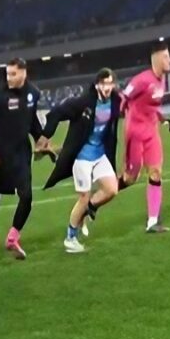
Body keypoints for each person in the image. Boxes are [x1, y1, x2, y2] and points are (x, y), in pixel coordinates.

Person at [39, 68, 124, 252]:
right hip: (82, 156)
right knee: (84, 197)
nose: (107, 87)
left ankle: (90, 208)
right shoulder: (84, 102)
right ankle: (70, 238)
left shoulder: (115, 101)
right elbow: (58, 112)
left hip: (100, 154)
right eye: (104, 83)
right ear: (97, 85)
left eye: (110, 83)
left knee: (112, 189)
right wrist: (46, 135)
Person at [0, 60, 44, 261]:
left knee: (27, 197)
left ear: (24, 73)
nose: (9, 78)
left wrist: (41, 139)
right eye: (7, 74)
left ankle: (12, 238)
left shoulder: (33, 94)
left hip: (21, 154)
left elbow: (31, 121)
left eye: (13, 74)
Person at [124, 45, 170, 233]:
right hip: (135, 133)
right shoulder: (141, 80)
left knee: (155, 172)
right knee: (130, 178)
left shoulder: (162, 81)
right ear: (157, 59)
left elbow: (152, 106)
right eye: (167, 57)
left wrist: (164, 119)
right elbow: (123, 97)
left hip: (151, 132)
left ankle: (152, 221)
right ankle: (97, 201)